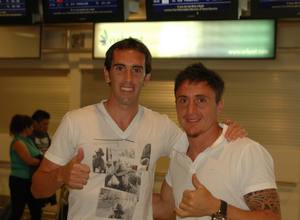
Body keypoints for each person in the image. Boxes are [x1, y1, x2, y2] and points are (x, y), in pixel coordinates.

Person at [31, 38, 245, 220]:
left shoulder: (160, 126)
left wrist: (226, 129)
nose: (128, 79)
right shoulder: (76, 121)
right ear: (107, 74)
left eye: (136, 70)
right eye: (120, 68)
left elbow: (201, 140)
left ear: (147, 78)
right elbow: (37, 189)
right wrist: (61, 175)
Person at [153, 63, 281, 220]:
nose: (190, 110)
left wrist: (217, 207)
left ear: (219, 106)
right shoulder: (178, 153)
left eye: (201, 100)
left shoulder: (246, 151)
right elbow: (165, 208)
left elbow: (272, 218)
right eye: (183, 100)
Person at [8, 114, 43, 220]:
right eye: (31, 126)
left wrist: (41, 160)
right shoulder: (18, 142)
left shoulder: (28, 140)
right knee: (18, 211)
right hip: (19, 181)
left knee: (36, 210)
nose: (33, 128)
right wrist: (42, 162)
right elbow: (29, 160)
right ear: (25, 127)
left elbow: (37, 155)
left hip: (30, 180)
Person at [30, 110, 58, 207]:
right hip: (33, 175)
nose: (46, 127)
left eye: (47, 124)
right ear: (35, 123)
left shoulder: (47, 136)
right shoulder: (30, 137)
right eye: (44, 124)